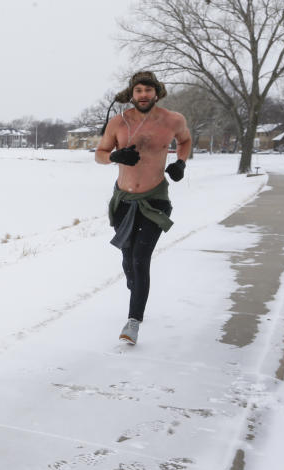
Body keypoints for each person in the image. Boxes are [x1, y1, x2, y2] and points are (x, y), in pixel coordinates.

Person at [95, 71, 192, 344]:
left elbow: (184, 141)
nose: (144, 95)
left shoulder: (173, 120)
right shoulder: (119, 122)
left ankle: (133, 321)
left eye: (148, 90)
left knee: (140, 257)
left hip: (155, 200)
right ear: (132, 94)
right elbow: (99, 155)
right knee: (128, 260)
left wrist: (181, 163)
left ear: (157, 92)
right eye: (139, 91)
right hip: (124, 201)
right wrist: (115, 155)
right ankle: (136, 289)